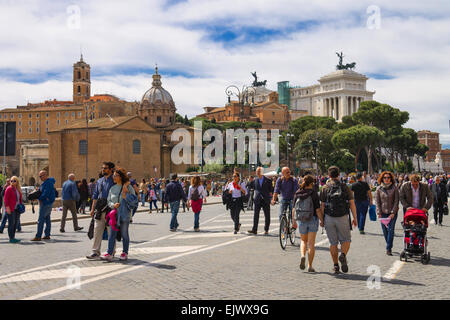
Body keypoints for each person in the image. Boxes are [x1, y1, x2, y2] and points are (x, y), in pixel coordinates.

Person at [320, 166, 358, 274]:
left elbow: (322, 205)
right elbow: (352, 204)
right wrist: (355, 218)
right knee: (346, 240)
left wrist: (322, 220)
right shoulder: (345, 186)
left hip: (329, 217)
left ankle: (336, 266)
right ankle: (343, 255)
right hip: (342, 216)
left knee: (333, 243)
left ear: (329, 175)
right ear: (338, 175)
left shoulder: (325, 187)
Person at [101, 167, 136, 261]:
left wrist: (125, 195)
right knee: (112, 234)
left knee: (124, 234)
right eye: (113, 175)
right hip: (114, 215)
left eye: (116, 175)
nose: (114, 177)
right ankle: (109, 253)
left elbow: (134, 201)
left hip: (124, 214)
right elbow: (108, 201)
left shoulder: (128, 187)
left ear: (120, 177)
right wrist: (113, 205)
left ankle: (125, 252)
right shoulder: (112, 188)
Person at [292, 175, 323, 272]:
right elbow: (317, 209)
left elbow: (293, 209)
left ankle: (302, 256)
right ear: (311, 183)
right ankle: (310, 266)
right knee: (311, 244)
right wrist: (322, 220)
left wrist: (293, 221)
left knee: (303, 241)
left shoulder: (298, 192)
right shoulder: (313, 193)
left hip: (301, 220)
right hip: (312, 219)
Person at [86, 162, 115, 259]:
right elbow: (95, 195)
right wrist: (93, 209)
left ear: (111, 169)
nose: (103, 169)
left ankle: (111, 251)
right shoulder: (99, 181)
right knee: (97, 230)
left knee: (110, 231)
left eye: (105, 168)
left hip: (110, 209)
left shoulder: (114, 180)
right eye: (102, 168)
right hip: (99, 209)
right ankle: (95, 252)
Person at [375, 171, 400, 255]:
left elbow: (396, 201)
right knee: (385, 231)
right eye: (384, 177)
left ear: (391, 179)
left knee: (391, 230)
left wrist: (393, 212)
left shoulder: (394, 188)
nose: (386, 179)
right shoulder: (379, 188)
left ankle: (388, 248)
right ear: (382, 178)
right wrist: (378, 212)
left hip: (392, 213)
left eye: (388, 177)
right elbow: (377, 201)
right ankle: (389, 244)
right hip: (382, 213)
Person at [32, 170, 56, 241]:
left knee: (41, 219)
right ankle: (47, 234)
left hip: (45, 203)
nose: (40, 178)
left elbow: (45, 193)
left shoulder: (47, 183)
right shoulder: (47, 182)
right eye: (39, 176)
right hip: (48, 203)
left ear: (46, 175)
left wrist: (38, 198)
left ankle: (38, 236)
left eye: (41, 176)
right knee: (47, 219)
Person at [248, 167, 272, 235]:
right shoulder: (255, 180)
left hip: (265, 199)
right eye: (256, 171)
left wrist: (271, 199)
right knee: (256, 215)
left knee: (267, 215)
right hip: (257, 199)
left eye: (258, 171)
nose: (257, 172)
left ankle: (266, 229)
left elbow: (271, 191)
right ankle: (254, 229)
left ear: (262, 172)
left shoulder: (268, 180)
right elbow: (250, 186)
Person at [4, 176, 23, 243]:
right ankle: (11, 238)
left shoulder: (18, 189)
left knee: (15, 223)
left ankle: (13, 237)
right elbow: (6, 199)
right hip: (11, 209)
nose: (12, 182)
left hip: (17, 209)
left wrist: (21, 205)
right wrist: (7, 207)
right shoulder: (9, 189)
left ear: (17, 182)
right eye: (11, 181)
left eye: (14, 181)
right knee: (11, 223)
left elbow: (20, 199)